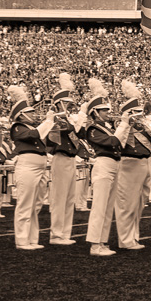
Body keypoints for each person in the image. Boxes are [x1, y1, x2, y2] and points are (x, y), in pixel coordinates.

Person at [81, 79, 130, 257]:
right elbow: (112, 142)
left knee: (108, 208)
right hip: (103, 165)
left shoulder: (108, 127)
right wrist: (123, 124)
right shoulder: (93, 129)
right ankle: (94, 245)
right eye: (104, 110)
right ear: (95, 112)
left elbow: (120, 144)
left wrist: (126, 126)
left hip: (114, 164)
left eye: (107, 110)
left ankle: (102, 241)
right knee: (99, 207)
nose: (108, 113)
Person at [8, 86, 56, 250]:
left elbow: (48, 141)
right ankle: (22, 240)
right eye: (30, 113)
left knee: (36, 204)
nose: (34, 115)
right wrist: (48, 121)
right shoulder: (17, 127)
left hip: (40, 164)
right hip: (27, 165)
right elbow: (33, 135)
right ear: (21, 115)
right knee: (25, 203)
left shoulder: (32, 127)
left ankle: (32, 238)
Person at [114, 81, 151, 250]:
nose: (141, 115)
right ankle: (125, 240)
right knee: (128, 203)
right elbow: (118, 140)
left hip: (145, 161)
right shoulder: (122, 124)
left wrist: (148, 121)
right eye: (137, 112)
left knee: (140, 202)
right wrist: (129, 122)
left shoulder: (143, 124)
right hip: (130, 163)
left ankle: (133, 236)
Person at [45, 73, 82, 245]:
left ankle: (65, 233)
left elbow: (77, 139)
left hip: (71, 159)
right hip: (60, 158)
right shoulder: (55, 118)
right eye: (66, 103)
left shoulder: (67, 119)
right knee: (60, 198)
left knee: (69, 199)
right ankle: (56, 234)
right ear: (59, 103)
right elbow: (59, 135)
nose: (69, 105)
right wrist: (75, 123)